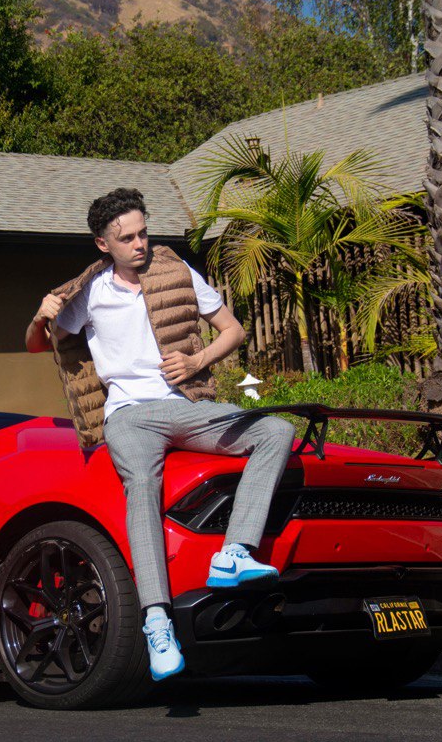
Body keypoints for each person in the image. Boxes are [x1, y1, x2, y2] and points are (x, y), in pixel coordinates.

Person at [25, 187, 294, 681]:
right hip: (127, 415)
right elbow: (37, 346)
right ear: (103, 244)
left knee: (276, 430)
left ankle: (234, 554)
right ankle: (156, 622)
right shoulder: (91, 293)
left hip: (185, 405)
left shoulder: (177, 272)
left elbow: (232, 330)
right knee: (142, 489)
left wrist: (197, 359)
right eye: (126, 238)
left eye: (143, 233)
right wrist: (41, 315)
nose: (139, 244)